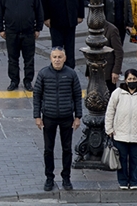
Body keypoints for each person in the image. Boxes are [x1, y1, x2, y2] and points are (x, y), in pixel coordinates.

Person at [33, 47, 82, 192]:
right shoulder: (43, 74)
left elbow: (77, 96)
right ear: (50, 58)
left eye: (60, 57)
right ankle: (49, 178)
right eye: (54, 57)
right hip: (49, 117)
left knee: (67, 149)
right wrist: (37, 116)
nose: (57, 60)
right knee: (48, 149)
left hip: (67, 117)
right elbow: (37, 96)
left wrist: (78, 117)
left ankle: (66, 178)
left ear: (64, 58)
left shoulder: (71, 74)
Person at [105, 68, 137, 190]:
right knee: (121, 159)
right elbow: (110, 111)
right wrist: (109, 129)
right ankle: (122, 181)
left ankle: (133, 182)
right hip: (120, 133)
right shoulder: (117, 93)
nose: (132, 81)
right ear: (125, 80)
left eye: (134, 79)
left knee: (134, 160)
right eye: (129, 79)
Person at [0, 0, 44, 91]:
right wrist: (1, 29)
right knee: (12, 59)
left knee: (29, 59)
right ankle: (14, 81)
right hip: (11, 33)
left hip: (28, 33)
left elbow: (39, 12)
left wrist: (38, 28)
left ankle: (28, 81)